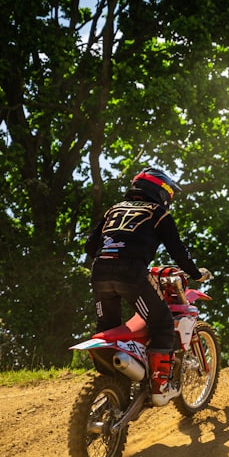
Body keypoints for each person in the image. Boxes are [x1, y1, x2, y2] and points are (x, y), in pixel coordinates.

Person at [84, 167, 206, 405]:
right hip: (131, 274)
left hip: (99, 273)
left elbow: (90, 247)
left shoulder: (114, 209)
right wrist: (195, 274)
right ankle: (160, 387)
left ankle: (113, 386)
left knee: (108, 329)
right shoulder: (159, 213)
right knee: (162, 323)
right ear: (162, 191)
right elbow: (178, 251)